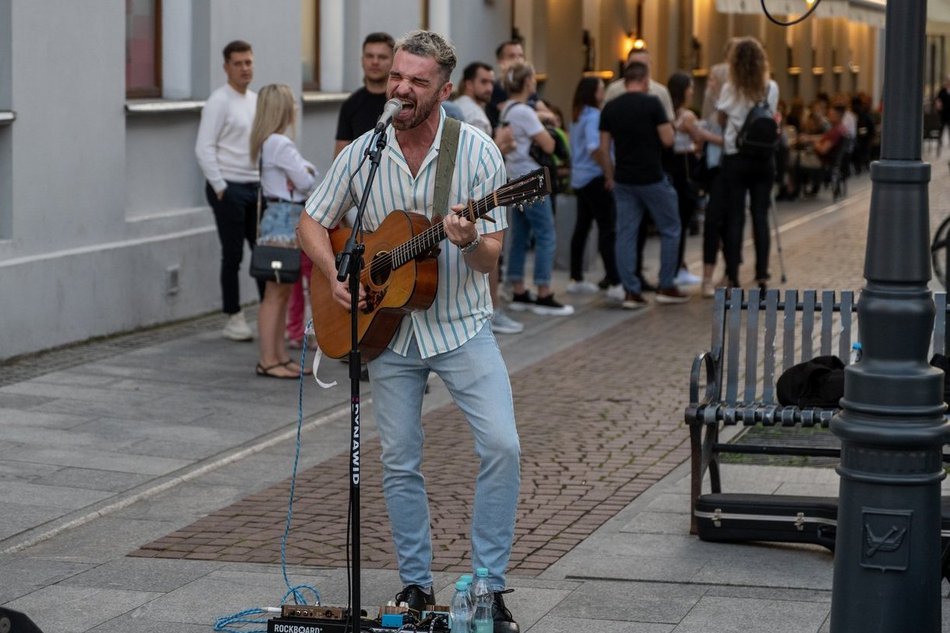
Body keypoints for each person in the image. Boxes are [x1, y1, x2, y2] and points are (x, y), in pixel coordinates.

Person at [297, 30, 521, 633]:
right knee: (398, 460)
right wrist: (337, 276)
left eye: (417, 82)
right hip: (387, 331)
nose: (401, 89)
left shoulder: (475, 153)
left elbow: (490, 255)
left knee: (501, 445)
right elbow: (312, 222)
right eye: (397, 77)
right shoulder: (366, 150)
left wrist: (470, 238)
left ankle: (489, 587)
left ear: (443, 89)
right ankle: (416, 585)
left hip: (460, 325)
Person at [599, 61, 689, 309]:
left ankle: (631, 292)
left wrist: (610, 175)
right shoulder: (653, 103)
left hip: (624, 179)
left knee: (625, 234)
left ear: (625, 81)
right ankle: (666, 285)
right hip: (652, 177)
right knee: (671, 227)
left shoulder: (610, 108)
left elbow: (604, 149)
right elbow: (668, 140)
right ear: (646, 81)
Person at [195, 39, 263, 341]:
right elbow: (203, 147)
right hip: (229, 188)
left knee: (262, 253)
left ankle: (268, 311)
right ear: (226, 67)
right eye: (238, 63)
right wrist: (221, 187)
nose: (245, 68)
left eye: (248, 62)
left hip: (255, 187)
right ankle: (233, 317)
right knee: (233, 254)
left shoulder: (256, 99)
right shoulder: (218, 101)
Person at [250, 84, 317, 378]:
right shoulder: (280, 143)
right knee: (275, 294)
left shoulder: (268, 142)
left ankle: (277, 355)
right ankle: (269, 359)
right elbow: (306, 181)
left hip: (279, 217)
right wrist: (308, 171)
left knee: (281, 291)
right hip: (283, 219)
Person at [453, 61, 524, 335]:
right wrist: (502, 144)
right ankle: (490, 312)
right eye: (483, 82)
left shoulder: (467, 108)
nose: (489, 87)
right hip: (477, 198)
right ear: (467, 83)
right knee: (489, 248)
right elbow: (482, 161)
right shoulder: (476, 116)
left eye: (491, 82)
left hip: (467, 198)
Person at [499, 62, 574, 317]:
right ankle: (543, 291)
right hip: (532, 179)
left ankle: (518, 288)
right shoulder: (526, 112)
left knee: (519, 234)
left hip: (513, 178)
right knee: (545, 234)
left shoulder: (508, 108)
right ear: (529, 82)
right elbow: (550, 146)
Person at [716, 36, 779, 291]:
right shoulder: (770, 87)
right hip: (763, 159)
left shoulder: (730, 88)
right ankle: (762, 273)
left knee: (735, 217)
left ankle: (733, 275)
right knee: (760, 216)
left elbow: (721, 119)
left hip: (736, 157)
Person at [567, 76, 622, 300]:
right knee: (607, 228)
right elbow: (595, 148)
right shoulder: (594, 116)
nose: (604, 92)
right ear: (593, 92)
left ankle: (576, 277)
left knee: (582, 228)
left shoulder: (577, 116)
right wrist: (609, 173)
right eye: (601, 88)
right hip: (594, 178)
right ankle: (615, 281)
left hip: (579, 177)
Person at [667, 71, 720, 293]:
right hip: (544, 176)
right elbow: (549, 146)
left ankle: (678, 266)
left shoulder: (668, 113)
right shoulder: (686, 116)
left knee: (545, 213)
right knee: (545, 224)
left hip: (545, 176)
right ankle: (676, 267)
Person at [334, 32, 395, 157]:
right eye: (369, 56)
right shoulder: (350, 105)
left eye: (382, 57)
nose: (375, 62)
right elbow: (340, 156)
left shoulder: (399, 103)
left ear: (394, 61)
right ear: (362, 60)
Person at [486, 39, 527, 129]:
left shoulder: (527, 85)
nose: (518, 60)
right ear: (500, 61)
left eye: (520, 56)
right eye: (512, 56)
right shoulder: (497, 88)